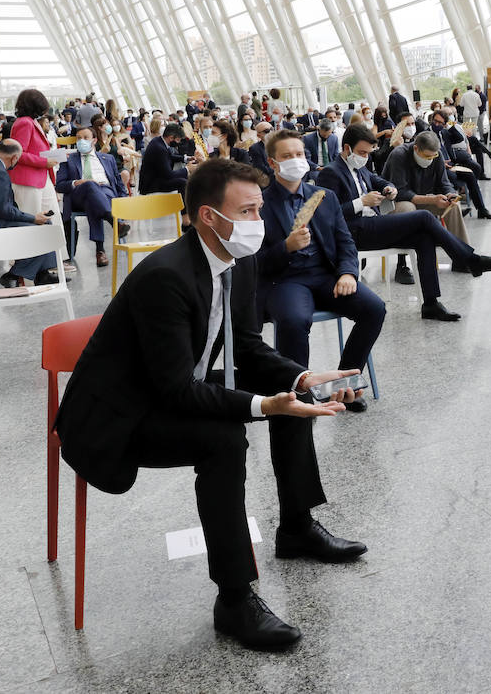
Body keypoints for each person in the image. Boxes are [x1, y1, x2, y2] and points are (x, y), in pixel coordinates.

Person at [55, 158, 368, 650]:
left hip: (174, 384)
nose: (258, 222)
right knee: (224, 438)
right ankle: (234, 599)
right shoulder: (166, 276)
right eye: (246, 212)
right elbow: (175, 392)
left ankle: (296, 526)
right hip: (122, 413)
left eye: (259, 210)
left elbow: (246, 344)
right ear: (207, 216)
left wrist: (302, 376)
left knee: (294, 393)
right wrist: (262, 405)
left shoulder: (239, 261)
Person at [257, 132, 384, 412]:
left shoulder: (323, 197)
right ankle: (297, 396)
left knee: (374, 308)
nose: (296, 161)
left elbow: (345, 241)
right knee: (293, 320)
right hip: (286, 280)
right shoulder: (260, 205)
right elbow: (255, 263)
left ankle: (343, 385)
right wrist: (286, 247)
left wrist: (348, 273)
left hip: (326, 276)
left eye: (299, 155)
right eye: (287, 156)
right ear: (272, 162)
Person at [318, 124, 491, 313]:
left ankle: (431, 303)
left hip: (370, 227)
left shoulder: (358, 168)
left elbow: (379, 180)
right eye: (361, 152)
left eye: (368, 153)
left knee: (424, 238)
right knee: (423, 217)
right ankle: (471, 260)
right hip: (354, 231)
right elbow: (326, 217)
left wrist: (389, 188)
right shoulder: (331, 172)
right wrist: (361, 202)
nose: (365, 157)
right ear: (346, 148)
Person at [0, 139, 58, 287]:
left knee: (46, 223)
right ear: (14, 158)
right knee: (43, 230)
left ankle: (42, 273)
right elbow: (3, 210)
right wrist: (33, 218)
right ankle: (13, 274)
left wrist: (32, 218)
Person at [382, 130, 475, 246]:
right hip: (396, 202)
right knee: (408, 207)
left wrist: (450, 194)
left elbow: (444, 183)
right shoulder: (399, 155)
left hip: (423, 198)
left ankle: (464, 255)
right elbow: (401, 192)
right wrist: (432, 199)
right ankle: (412, 249)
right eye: (426, 156)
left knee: (453, 206)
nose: (430, 159)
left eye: (433, 156)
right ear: (416, 148)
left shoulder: (437, 155)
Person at [8, 88, 65, 271]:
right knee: (31, 220)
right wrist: (44, 161)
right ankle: (26, 263)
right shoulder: (24, 123)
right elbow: (18, 153)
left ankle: (53, 261)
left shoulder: (31, 122)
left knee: (52, 217)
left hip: (41, 177)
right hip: (28, 179)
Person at [56, 127, 128, 267]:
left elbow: (119, 183)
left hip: (105, 192)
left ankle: (100, 251)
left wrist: (123, 199)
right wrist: (77, 182)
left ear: (94, 140)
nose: (81, 141)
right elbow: (59, 185)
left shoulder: (108, 158)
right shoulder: (68, 160)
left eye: (85, 137)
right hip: (79, 194)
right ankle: (113, 221)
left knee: (93, 202)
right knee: (90, 186)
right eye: (78, 138)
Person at [140, 122, 195, 211]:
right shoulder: (159, 148)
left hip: (155, 178)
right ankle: (185, 215)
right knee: (183, 182)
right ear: (171, 138)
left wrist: (186, 158)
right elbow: (169, 174)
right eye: (178, 140)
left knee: (183, 179)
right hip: (151, 184)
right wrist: (187, 169)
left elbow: (169, 156)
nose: (179, 142)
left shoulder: (159, 141)